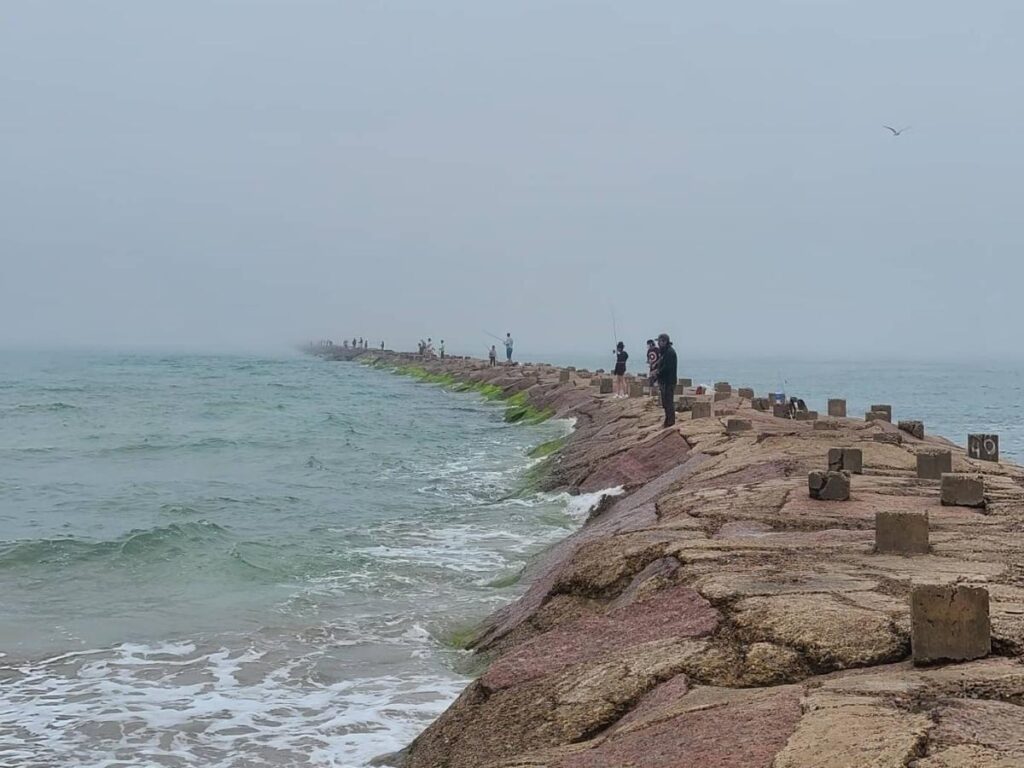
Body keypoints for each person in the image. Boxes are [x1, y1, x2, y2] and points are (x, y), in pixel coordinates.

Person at [656, 333, 678, 428]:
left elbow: (667, 368)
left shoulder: (670, 352)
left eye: (660, 342)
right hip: (664, 381)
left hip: (668, 381)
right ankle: (667, 420)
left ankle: (670, 422)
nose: (658, 344)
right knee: (665, 402)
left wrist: (657, 373)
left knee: (668, 402)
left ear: (664, 341)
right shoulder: (665, 351)